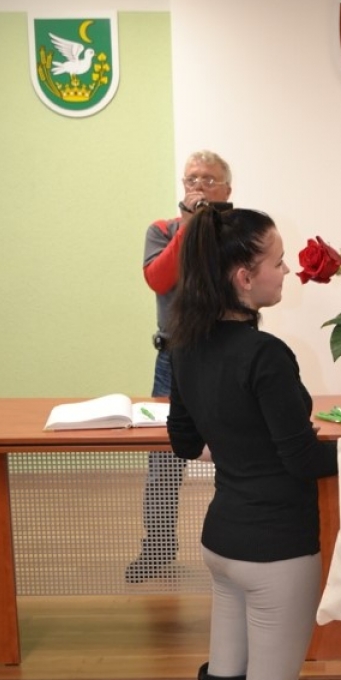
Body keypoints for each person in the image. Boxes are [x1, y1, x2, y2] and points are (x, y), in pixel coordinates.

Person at [166, 205, 339, 680]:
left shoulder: (185, 344)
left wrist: (240, 437)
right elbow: (302, 461)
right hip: (275, 554)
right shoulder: (266, 356)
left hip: (224, 544)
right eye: (275, 261)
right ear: (244, 276)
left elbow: (185, 442)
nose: (286, 270)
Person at [125, 151, 233, 583]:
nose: (199, 186)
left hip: (225, 353)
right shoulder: (163, 230)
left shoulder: (236, 231)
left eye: (209, 179)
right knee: (164, 457)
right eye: (192, 179)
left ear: (227, 189)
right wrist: (189, 226)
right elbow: (159, 279)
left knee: (235, 448)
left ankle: (233, 544)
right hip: (173, 358)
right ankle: (157, 548)